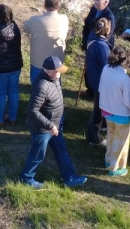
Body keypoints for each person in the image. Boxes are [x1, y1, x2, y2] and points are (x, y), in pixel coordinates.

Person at [19, 57, 88, 189]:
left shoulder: (54, 78)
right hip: (43, 129)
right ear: (49, 71)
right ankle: (26, 177)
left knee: (61, 150)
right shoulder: (41, 86)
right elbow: (33, 111)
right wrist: (50, 126)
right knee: (37, 154)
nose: (60, 73)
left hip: (54, 126)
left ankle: (69, 177)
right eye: (58, 71)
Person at [98, 43, 130, 177]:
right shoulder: (124, 79)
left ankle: (108, 160)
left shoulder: (106, 69)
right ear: (126, 60)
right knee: (121, 142)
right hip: (121, 115)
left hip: (107, 111)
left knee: (110, 137)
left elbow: (100, 88)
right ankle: (116, 168)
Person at [0, 4, 22, 127]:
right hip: (15, 65)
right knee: (13, 92)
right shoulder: (15, 27)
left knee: (0, 94)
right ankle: (13, 117)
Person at [23, 0, 69, 85]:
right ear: (58, 6)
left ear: (44, 5)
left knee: (37, 89)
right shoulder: (64, 19)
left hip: (38, 62)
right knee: (55, 90)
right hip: (57, 62)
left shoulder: (35, 20)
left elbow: (26, 26)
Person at [82, 0, 116, 99]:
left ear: (106, 2)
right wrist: (85, 42)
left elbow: (108, 34)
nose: (95, 2)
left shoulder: (109, 16)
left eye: (98, 0)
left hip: (101, 45)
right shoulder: (93, 10)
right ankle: (90, 89)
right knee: (89, 66)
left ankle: (98, 92)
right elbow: (87, 24)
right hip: (91, 43)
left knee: (99, 68)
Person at [85, 18, 113, 146]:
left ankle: (94, 134)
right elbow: (106, 66)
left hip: (94, 78)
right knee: (98, 110)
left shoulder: (92, 38)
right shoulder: (102, 46)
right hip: (101, 81)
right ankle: (93, 137)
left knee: (98, 108)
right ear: (107, 29)